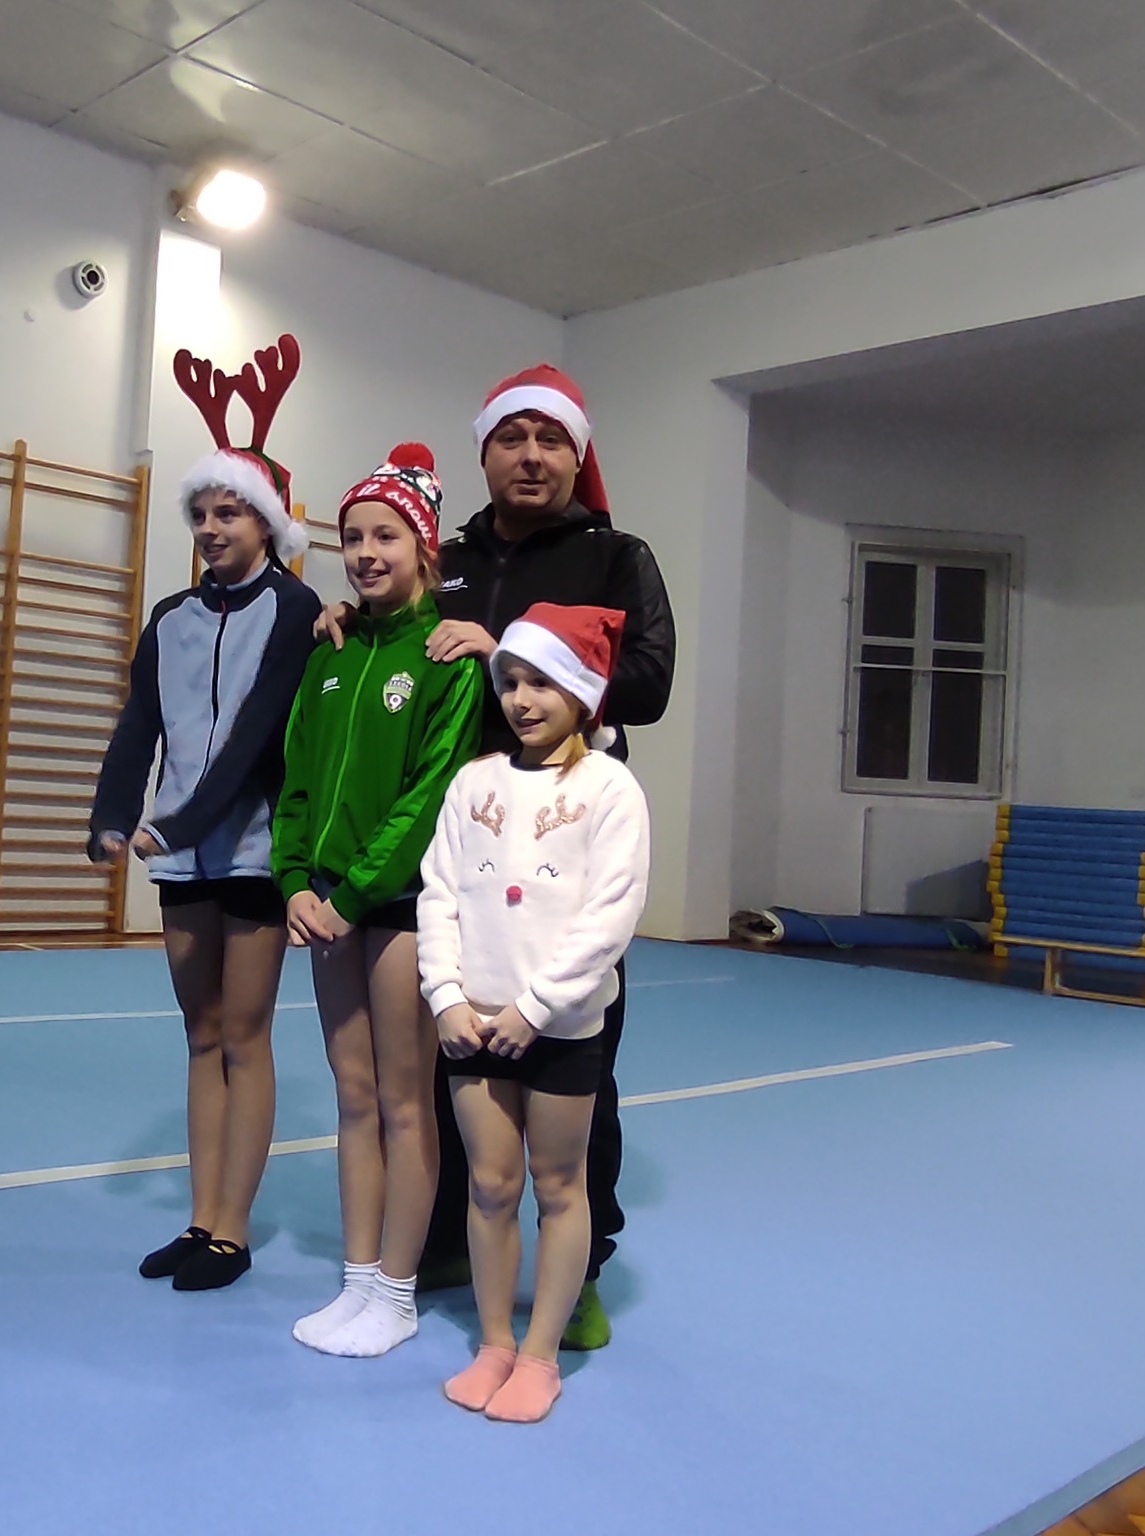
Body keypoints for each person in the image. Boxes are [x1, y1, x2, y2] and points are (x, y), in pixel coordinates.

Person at [320, 363, 676, 1350]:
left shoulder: (615, 556)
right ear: (482, 452)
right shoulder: (454, 554)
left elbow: (649, 682)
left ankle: (582, 1266)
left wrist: (513, 650)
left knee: (576, 1061)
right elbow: (400, 619)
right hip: (462, 837)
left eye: (549, 439)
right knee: (454, 1047)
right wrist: (350, 619)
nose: (530, 455)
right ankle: (445, 1238)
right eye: (510, 438)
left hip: (563, 840)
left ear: (576, 453)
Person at [89, 334, 321, 1292]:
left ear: (266, 521)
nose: (212, 526)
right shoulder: (170, 619)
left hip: (254, 851)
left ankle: (235, 1227)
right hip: (179, 859)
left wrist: (175, 824)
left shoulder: (298, 612)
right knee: (199, 1034)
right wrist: (112, 814)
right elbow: (138, 723)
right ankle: (199, 1216)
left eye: (230, 511)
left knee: (244, 1035)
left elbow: (259, 738)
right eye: (201, 512)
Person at [274, 442, 483, 1358]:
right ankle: (357, 1281)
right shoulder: (330, 651)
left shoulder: (445, 657)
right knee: (352, 1095)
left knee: (404, 1100)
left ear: (422, 548)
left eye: (386, 536)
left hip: (395, 908)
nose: (365, 553)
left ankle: (397, 1294)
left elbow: (429, 796)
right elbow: (296, 779)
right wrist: (293, 880)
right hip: (326, 904)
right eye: (352, 537)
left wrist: (354, 895)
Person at [418, 604, 649, 1422]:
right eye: (510, 681)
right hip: (473, 1026)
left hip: (559, 1028)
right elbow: (440, 893)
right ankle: (493, 1343)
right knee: (489, 1184)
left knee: (557, 1186)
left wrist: (538, 1006)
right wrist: (446, 995)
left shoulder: (608, 788)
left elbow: (610, 916)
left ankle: (541, 1355)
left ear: (581, 692)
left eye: (542, 682)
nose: (520, 699)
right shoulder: (474, 782)